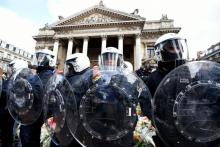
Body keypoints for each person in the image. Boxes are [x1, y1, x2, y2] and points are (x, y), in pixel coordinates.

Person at [144, 33, 188, 146]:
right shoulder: (153, 78)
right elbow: (145, 102)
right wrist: (158, 122)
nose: (177, 51)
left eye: (179, 47)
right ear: (161, 51)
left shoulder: (190, 74)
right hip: (164, 133)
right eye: (172, 47)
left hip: (187, 131)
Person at [50, 53, 92, 147]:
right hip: (80, 130)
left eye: (69, 67)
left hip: (66, 128)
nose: (67, 69)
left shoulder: (71, 82)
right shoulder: (89, 81)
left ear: (78, 66)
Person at [20, 49, 56, 147]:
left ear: (47, 60)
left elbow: (37, 95)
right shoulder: (43, 74)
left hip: (35, 115)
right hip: (37, 115)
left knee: (29, 139)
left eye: (41, 57)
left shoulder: (45, 76)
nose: (38, 60)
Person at [0, 59, 28, 147]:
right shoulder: (12, 79)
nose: (9, 69)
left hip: (10, 115)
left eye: (12, 67)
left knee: (8, 137)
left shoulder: (20, 82)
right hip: (5, 113)